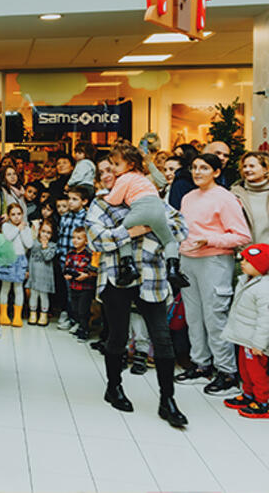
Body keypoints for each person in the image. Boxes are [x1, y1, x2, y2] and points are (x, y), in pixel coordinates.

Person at [85, 162, 190, 429]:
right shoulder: (101, 204)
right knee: (117, 336)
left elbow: (181, 228)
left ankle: (167, 400)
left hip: (152, 277)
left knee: (162, 338)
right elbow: (96, 240)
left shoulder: (149, 196)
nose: (107, 175)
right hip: (116, 277)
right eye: (102, 172)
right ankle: (114, 388)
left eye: (112, 170)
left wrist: (149, 225)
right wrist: (134, 231)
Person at [175, 153, 252, 395]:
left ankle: (227, 373)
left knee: (215, 317)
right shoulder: (188, 197)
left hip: (214, 261)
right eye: (195, 167)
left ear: (216, 172)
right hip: (188, 260)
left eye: (204, 168)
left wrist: (209, 239)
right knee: (194, 317)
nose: (197, 172)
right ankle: (201, 365)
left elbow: (242, 236)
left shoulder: (225, 198)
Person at [104, 143, 184, 287]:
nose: (113, 168)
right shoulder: (141, 177)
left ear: (130, 165)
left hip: (141, 209)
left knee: (122, 234)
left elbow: (114, 200)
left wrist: (104, 197)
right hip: (158, 209)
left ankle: (128, 267)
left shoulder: (124, 178)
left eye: (116, 164)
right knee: (169, 240)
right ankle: (173, 269)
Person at [221, 244, 269, 418]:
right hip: (244, 338)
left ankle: (263, 402)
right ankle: (248, 394)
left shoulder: (265, 288)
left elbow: (266, 320)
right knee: (245, 370)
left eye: (248, 261)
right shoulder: (246, 280)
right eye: (243, 259)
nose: (242, 263)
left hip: (255, 343)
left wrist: (259, 344)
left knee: (257, 373)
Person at [55, 185, 90, 330]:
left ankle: (78, 321)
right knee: (66, 291)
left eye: (75, 199)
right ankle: (70, 317)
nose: (70, 202)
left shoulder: (87, 218)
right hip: (64, 259)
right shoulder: (65, 216)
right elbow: (61, 235)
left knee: (77, 294)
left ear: (84, 201)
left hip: (79, 262)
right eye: (69, 198)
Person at [0, 203, 32, 327]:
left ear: (23, 214)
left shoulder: (26, 228)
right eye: (13, 214)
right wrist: (18, 229)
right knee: (5, 287)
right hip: (8, 258)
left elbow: (29, 244)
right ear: (9, 216)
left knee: (18, 288)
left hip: (20, 260)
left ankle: (17, 316)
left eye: (19, 214)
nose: (16, 217)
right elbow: (8, 238)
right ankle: (3, 314)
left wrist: (22, 230)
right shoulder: (6, 226)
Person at [63, 227, 95, 341]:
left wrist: (86, 275)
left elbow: (92, 271)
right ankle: (79, 325)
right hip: (73, 286)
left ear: (86, 241)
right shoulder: (70, 253)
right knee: (75, 308)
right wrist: (67, 274)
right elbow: (67, 267)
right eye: (74, 238)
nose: (75, 240)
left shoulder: (89, 254)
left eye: (79, 238)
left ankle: (84, 330)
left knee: (83, 310)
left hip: (85, 288)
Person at [231, 151, 269, 245]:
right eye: (244, 166)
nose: (247, 170)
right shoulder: (235, 194)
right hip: (245, 251)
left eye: (252, 166)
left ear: (266, 169)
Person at [27, 220, 57, 326]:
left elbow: (48, 257)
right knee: (33, 295)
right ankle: (33, 314)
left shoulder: (52, 246)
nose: (45, 234)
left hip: (45, 278)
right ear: (39, 231)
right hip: (34, 276)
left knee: (44, 296)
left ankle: (43, 315)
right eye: (43, 231)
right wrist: (27, 270)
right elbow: (28, 256)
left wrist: (45, 247)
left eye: (48, 233)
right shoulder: (33, 243)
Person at [168, 144, 199, 210]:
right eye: (175, 155)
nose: (176, 158)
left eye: (180, 155)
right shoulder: (179, 176)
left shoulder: (182, 180)